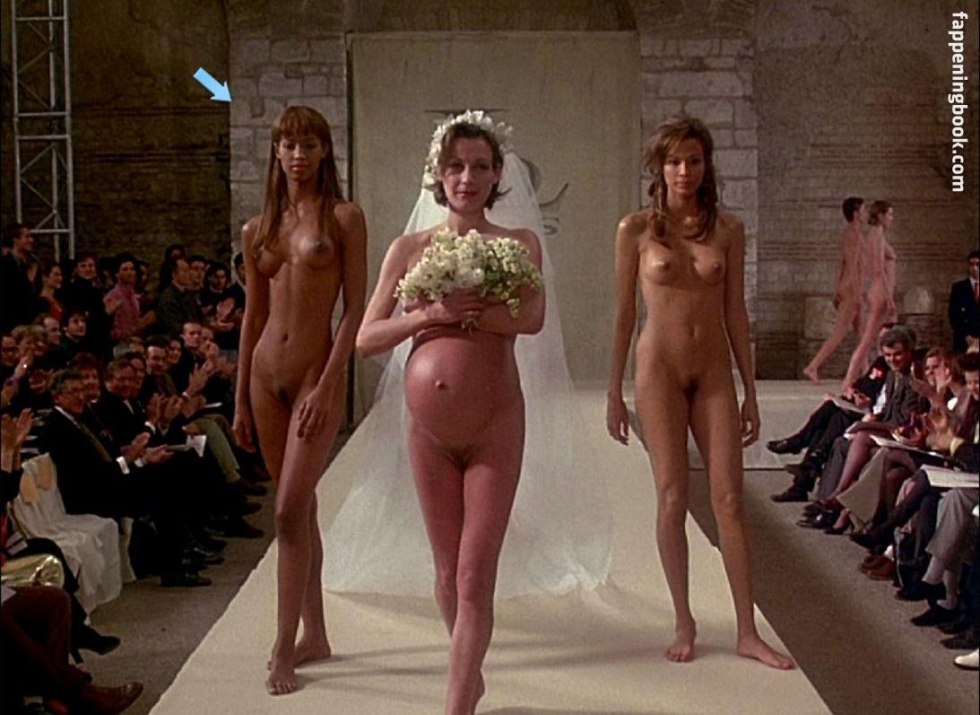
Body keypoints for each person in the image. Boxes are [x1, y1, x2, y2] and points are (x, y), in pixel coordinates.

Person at [353, 111, 546, 714]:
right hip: (427, 432)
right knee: (444, 572)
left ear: (497, 175)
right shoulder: (409, 249)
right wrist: (431, 314)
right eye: (456, 166)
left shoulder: (518, 244)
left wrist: (474, 310)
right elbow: (366, 337)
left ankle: (456, 705)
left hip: (495, 424)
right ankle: (468, 672)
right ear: (439, 174)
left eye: (480, 167)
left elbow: (532, 317)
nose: (467, 178)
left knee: (473, 573)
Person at [606, 115, 793, 669]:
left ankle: (746, 630)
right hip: (658, 371)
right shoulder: (635, 230)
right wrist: (613, 391)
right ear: (658, 168)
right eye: (673, 161)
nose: (684, 171)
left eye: (693, 160)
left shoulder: (728, 230)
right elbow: (624, 314)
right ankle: (684, 620)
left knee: (729, 499)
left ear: (707, 166)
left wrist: (750, 390)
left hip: (712, 373)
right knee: (671, 497)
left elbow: (735, 311)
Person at [232, 105, 366, 696]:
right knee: (299, 509)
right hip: (265, 376)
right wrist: (239, 397)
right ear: (276, 151)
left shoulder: (343, 218)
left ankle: (283, 647)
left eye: (309, 144)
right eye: (288, 144)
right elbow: (252, 315)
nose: (297, 155)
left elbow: (355, 310)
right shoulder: (257, 229)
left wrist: (331, 382)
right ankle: (316, 633)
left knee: (288, 510)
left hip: (315, 373)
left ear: (324, 151)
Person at [802, 197, 867, 382]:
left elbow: (841, 265)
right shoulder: (853, 235)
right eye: (863, 210)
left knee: (861, 334)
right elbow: (852, 265)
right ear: (856, 213)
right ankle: (813, 366)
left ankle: (866, 370)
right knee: (840, 332)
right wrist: (856, 293)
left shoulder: (851, 234)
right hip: (852, 289)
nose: (865, 213)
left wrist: (838, 288)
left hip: (850, 287)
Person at [839, 200, 898, 391]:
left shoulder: (875, 234)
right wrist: (889, 299)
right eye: (889, 214)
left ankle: (879, 379)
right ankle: (849, 382)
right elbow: (878, 270)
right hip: (880, 290)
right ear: (880, 216)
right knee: (867, 340)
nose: (892, 218)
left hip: (880, 290)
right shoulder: (876, 235)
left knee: (878, 339)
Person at [948, 249, 980, 353]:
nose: (974, 268)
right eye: (971, 264)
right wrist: (966, 336)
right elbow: (953, 315)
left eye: (978, 264)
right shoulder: (958, 288)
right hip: (963, 341)